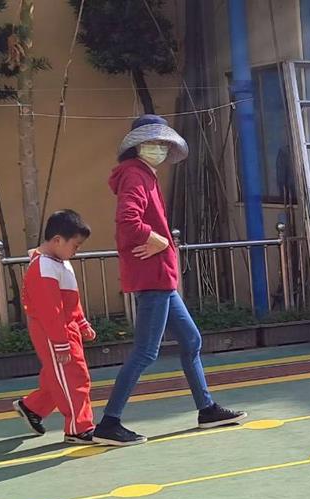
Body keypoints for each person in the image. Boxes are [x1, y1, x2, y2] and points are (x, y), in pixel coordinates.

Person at [93, 115, 247, 446]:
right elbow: (128, 221)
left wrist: (158, 243)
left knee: (190, 340)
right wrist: (159, 240)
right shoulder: (135, 174)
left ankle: (207, 409)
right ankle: (109, 422)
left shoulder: (142, 174)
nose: (159, 148)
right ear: (137, 146)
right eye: (153, 143)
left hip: (160, 278)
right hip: (154, 278)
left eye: (163, 143)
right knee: (146, 352)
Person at [13, 210, 97, 444]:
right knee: (74, 377)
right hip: (54, 330)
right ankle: (78, 428)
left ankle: (32, 407)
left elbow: (70, 301)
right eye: (75, 245)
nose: (76, 250)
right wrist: (60, 341)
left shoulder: (57, 263)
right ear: (58, 240)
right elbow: (51, 310)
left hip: (62, 328)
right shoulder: (45, 267)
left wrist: (81, 323)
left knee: (60, 375)